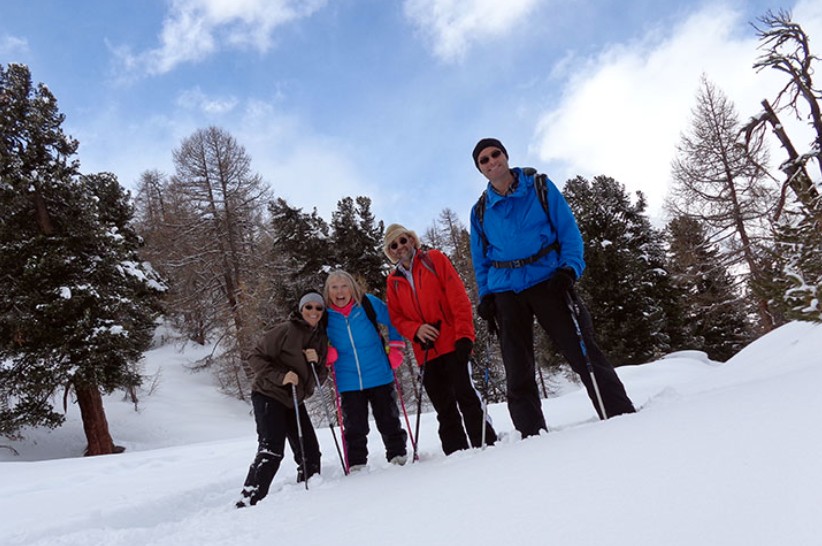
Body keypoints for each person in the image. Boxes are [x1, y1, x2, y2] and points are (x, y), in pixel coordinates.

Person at [469, 137, 635, 438]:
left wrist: (570, 268)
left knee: (581, 349)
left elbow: (567, 229)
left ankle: (619, 413)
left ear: (506, 155)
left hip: (547, 278)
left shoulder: (539, 187)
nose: (492, 162)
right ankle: (531, 433)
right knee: (517, 365)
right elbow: (480, 258)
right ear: (480, 170)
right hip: (506, 288)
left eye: (496, 154)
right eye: (484, 160)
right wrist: (486, 296)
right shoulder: (480, 210)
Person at [383, 224, 497, 455]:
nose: (400, 247)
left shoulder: (433, 259)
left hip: (452, 341)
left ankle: (485, 443)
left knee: (465, 393)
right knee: (443, 405)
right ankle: (455, 451)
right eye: (393, 245)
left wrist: (465, 335)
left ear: (412, 240)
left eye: (403, 240)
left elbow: (458, 298)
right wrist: (416, 330)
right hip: (425, 349)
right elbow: (397, 317)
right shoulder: (393, 281)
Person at [235, 290, 328, 508]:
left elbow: (320, 378)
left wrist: (317, 362)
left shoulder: (322, 338)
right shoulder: (286, 330)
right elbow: (254, 356)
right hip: (268, 394)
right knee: (272, 448)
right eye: (309, 307)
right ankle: (249, 499)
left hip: (295, 399)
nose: (313, 312)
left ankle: (308, 496)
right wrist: (281, 376)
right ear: (300, 309)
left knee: (310, 452)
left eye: (318, 308)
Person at [323, 269, 409, 470]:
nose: (340, 291)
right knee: (355, 425)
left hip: (379, 372)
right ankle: (356, 463)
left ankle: (397, 454)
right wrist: (325, 352)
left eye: (344, 286)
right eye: (334, 287)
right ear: (328, 292)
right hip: (348, 379)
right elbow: (313, 339)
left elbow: (394, 319)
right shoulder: (325, 315)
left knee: (388, 418)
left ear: (352, 287)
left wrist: (396, 346)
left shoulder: (367, 303)